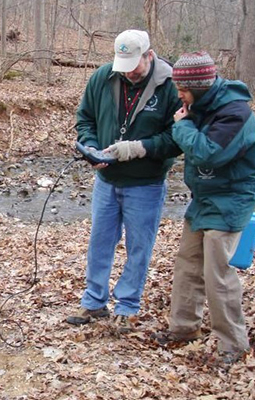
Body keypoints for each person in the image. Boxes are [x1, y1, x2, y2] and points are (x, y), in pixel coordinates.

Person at [152, 51, 255, 364]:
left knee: (218, 272)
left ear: (199, 86)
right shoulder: (197, 105)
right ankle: (183, 328)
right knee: (188, 261)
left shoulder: (234, 112)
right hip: (205, 196)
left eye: (182, 89)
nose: (178, 95)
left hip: (233, 196)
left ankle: (233, 345)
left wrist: (182, 126)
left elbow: (209, 153)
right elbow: (184, 140)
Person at [69, 29, 182, 332]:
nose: (129, 71)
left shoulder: (170, 86)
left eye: (135, 64)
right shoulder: (104, 77)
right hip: (106, 179)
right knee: (100, 242)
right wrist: (90, 146)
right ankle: (94, 302)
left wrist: (138, 148)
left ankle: (128, 305)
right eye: (124, 65)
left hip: (146, 182)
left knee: (139, 247)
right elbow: (85, 119)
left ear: (149, 55)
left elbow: (178, 138)